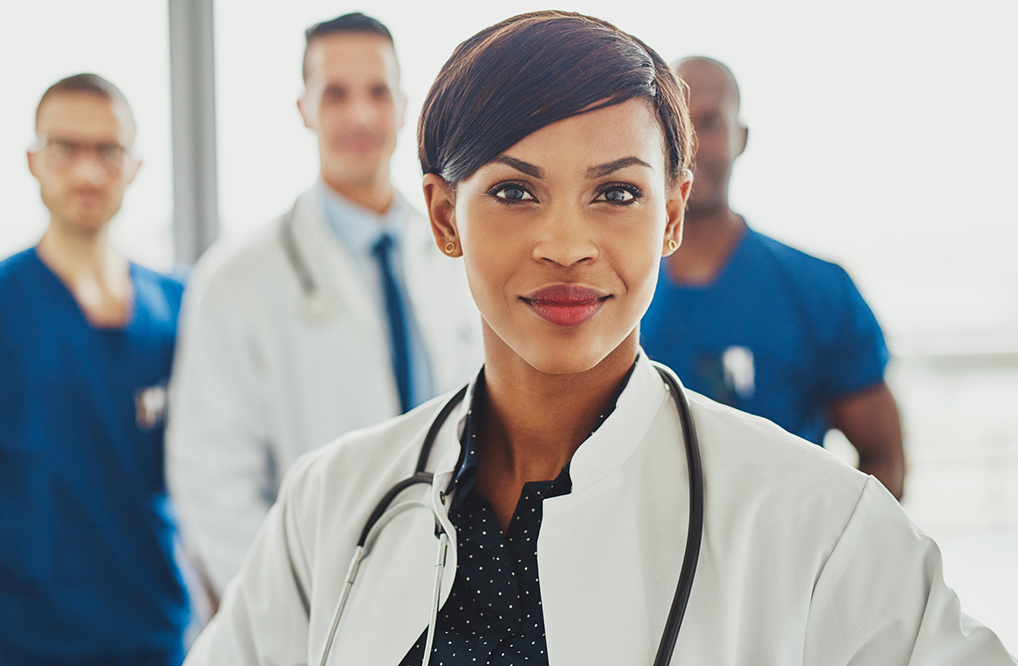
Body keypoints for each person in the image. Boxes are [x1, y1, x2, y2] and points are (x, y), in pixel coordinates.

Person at [180, 11, 1015, 666]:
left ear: (673, 214)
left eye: (616, 194)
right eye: (514, 192)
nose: (568, 243)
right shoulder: (332, 505)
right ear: (443, 215)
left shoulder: (818, 524)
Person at [166, 12, 481, 596]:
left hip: (459, 591)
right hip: (318, 606)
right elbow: (212, 483)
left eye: (377, 92)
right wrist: (295, 610)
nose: (359, 115)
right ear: (304, 109)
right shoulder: (238, 281)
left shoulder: (458, 256)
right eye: (335, 94)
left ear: (404, 105)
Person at [0, 74, 191, 666]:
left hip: (162, 640)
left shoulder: (181, 308)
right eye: (64, 149)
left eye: (107, 151)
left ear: (133, 166)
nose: (86, 171)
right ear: (33, 160)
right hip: (24, 647)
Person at [639, 56, 906, 498]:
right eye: (675, 127)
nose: (692, 146)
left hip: (786, 560)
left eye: (709, 122)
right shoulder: (607, 292)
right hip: (642, 563)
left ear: (740, 137)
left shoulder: (820, 291)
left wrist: (838, 563)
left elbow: (883, 458)